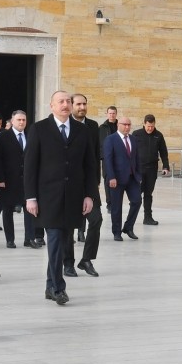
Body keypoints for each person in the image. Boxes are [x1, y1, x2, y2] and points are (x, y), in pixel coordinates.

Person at [24, 90, 98, 306]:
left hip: (74, 197)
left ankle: (49, 285)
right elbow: (30, 166)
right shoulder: (39, 129)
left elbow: (90, 165)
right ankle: (58, 288)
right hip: (48, 197)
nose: (65, 105)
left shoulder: (82, 131)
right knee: (55, 240)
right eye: (61, 101)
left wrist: (89, 195)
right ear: (51, 106)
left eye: (68, 101)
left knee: (64, 241)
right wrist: (30, 197)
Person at [0, 110, 37, 248]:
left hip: (27, 181)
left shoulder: (31, 136)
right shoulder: (3, 137)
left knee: (29, 210)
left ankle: (29, 239)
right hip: (8, 180)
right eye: (18, 120)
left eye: (24, 120)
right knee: (7, 210)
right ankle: (10, 239)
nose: (21, 122)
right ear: (12, 121)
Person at [70, 93, 102, 276]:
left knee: (96, 220)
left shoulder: (92, 126)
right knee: (68, 226)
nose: (82, 107)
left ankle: (86, 259)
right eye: (78, 104)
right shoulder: (66, 126)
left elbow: (95, 158)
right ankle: (68, 262)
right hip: (69, 184)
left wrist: (95, 184)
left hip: (88, 185)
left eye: (84, 104)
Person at [104, 116, 141, 242]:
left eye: (129, 124)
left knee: (137, 201)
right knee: (116, 207)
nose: (127, 127)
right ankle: (116, 232)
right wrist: (111, 177)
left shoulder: (133, 139)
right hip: (116, 179)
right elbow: (108, 160)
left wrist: (139, 175)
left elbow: (137, 158)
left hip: (132, 178)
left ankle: (128, 227)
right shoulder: (110, 139)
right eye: (124, 124)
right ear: (118, 125)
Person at [133, 114, 170, 225]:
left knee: (148, 194)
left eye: (152, 126)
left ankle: (148, 218)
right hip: (138, 169)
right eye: (148, 126)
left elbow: (164, 152)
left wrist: (166, 166)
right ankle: (132, 218)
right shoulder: (136, 134)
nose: (150, 128)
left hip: (152, 170)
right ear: (144, 124)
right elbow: (130, 152)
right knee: (136, 195)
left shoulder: (158, 135)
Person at [98, 105, 118, 209]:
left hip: (119, 158)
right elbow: (99, 143)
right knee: (107, 180)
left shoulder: (120, 126)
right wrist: (102, 156)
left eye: (113, 113)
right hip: (106, 158)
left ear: (116, 114)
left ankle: (116, 202)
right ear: (107, 114)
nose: (112, 115)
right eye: (110, 113)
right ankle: (109, 204)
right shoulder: (102, 128)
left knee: (118, 179)